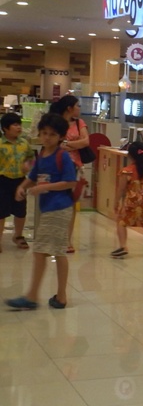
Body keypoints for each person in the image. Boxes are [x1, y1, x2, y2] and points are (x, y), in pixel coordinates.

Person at [4, 113, 78, 310]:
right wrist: (23, 186)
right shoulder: (43, 154)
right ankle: (57, 296)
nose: (47, 137)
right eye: (44, 133)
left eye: (52, 134)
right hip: (48, 208)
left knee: (43, 251)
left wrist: (44, 187)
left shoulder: (62, 156)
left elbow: (70, 182)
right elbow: (33, 176)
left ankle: (36, 296)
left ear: (61, 136)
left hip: (59, 208)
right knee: (53, 251)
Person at [50, 94, 89, 253]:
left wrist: (67, 144)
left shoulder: (80, 123)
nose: (79, 108)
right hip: (56, 165)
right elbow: (52, 142)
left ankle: (67, 239)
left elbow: (86, 141)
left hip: (74, 167)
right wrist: (73, 145)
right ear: (69, 108)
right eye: (77, 105)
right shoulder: (55, 122)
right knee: (55, 201)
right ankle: (55, 236)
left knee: (70, 203)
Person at [0, 113, 33, 251]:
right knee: (1, 211)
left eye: (19, 124)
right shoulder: (1, 144)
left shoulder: (24, 143)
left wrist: (28, 164)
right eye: (15, 125)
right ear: (5, 128)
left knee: (20, 211)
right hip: (3, 181)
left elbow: (30, 157)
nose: (19, 127)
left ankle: (18, 236)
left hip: (20, 181)